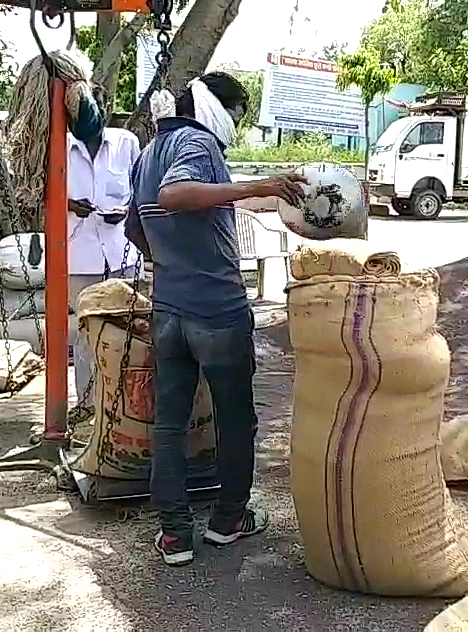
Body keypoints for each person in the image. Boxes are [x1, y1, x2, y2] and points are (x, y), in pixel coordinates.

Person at [125, 71, 306, 566]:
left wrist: (172, 258)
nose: (236, 124)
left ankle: (175, 535)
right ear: (214, 107)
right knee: (235, 418)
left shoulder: (146, 153)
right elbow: (175, 195)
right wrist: (260, 185)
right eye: (237, 113)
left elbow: (135, 228)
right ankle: (228, 519)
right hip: (218, 312)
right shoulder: (199, 144)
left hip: (169, 312)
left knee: (169, 423)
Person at [66, 84, 141, 424]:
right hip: (79, 256)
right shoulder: (61, 147)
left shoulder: (126, 143)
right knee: (87, 332)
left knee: (130, 329)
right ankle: (88, 404)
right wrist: (68, 205)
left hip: (121, 252)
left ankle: (127, 403)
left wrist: (124, 210)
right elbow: (36, 192)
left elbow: (140, 189)